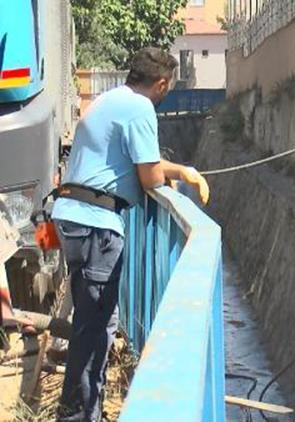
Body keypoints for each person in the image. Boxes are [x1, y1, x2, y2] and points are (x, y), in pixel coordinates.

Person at [51, 47, 209, 421]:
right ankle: (77, 415)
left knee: (95, 323)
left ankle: (85, 410)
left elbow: (147, 163)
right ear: (162, 83)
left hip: (74, 217)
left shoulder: (112, 100)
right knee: (94, 330)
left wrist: (182, 170)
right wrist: (176, 174)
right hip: (96, 227)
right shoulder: (140, 108)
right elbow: (150, 176)